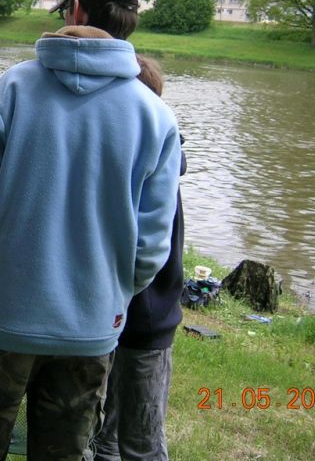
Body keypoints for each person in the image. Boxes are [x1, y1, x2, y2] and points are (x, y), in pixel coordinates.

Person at [0, 0, 183, 460]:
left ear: (74, 10)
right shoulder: (157, 117)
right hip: (91, 327)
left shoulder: (14, 87)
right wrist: (106, 292)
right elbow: (150, 250)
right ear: (130, 21)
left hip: (0, 318)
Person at [86, 56, 187, 461]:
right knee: (103, 437)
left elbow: (152, 253)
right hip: (105, 320)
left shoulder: (159, 169)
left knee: (142, 441)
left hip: (145, 323)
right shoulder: (116, 159)